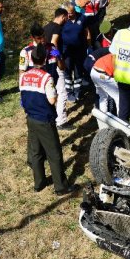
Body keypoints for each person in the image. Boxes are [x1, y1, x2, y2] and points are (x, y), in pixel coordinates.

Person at [19, 46, 75, 195]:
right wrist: (55, 94)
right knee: (54, 153)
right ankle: (61, 187)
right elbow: (51, 100)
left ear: (31, 59)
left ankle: (39, 183)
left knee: (36, 152)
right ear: (44, 59)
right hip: (44, 119)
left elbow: (23, 96)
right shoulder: (46, 77)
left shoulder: (23, 76)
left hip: (30, 118)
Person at [43, 8, 70, 128]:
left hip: (45, 63)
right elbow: (54, 44)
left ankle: (49, 116)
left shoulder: (46, 27)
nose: (67, 19)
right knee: (62, 91)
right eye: (67, 17)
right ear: (63, 16)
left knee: (50, 91)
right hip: (55, 63)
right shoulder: (57, 28)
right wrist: (59, 59)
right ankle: (61, 121)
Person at [61, 1, 91, 102]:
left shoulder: (82, 18)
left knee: (78, 72)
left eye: (73, 11)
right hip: (67, 53)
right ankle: (69, 92)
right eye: (69, 13)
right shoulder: (62, 21)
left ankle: (78, 91)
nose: (71, 14)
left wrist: (89, 45)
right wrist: (57, 54)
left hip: (80, 50)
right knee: (68, 71)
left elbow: (87, 32)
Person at [90, 52, 119, 117]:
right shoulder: (120, 57)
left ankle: (103, 119)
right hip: (102, 75)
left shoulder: (115, 52)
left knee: (103, 97)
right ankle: (121, 121)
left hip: (94, 71)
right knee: (118, 97)